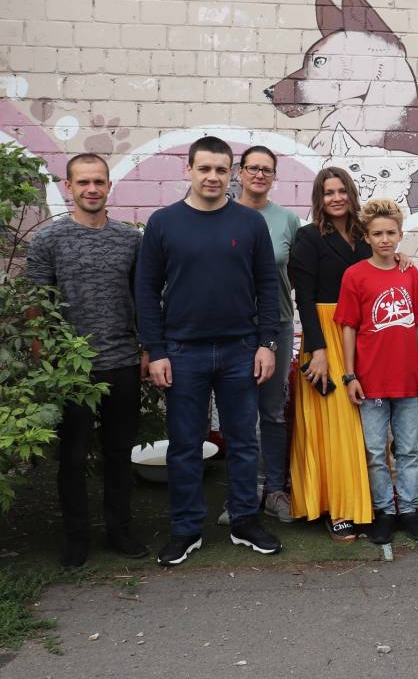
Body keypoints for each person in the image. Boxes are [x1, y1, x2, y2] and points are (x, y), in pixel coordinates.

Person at [136, 136, 281, 565]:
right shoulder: (163, 223)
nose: (212, 177)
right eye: (204, 168)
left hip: (241, 350)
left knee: (243, 442)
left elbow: (267, 286)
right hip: (182, 352)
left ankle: (244, 520)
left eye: (221, 169)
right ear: (189, 169)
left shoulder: (249, 223)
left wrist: (267, 343)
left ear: (231, 173)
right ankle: (186, 530)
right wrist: (156, 350)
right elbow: (146, 290)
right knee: (184, 446)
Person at [27, 154, 149, 567]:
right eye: (83, 182)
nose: (92, 189)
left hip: (122, 362)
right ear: (69, 186)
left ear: (109, 186)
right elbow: (37, 304)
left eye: (98, 181)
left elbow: (143, 299)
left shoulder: (130, 240)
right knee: (73, 457)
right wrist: (44, 357)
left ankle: (119, 532)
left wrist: (146, 349)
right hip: (70, 369)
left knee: (119, 453)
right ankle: (76, 538)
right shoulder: (48, 240)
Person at [337, 199, 418, 545]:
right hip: (370, 382)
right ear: (367, 237)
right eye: (377, 234)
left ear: (400, 234)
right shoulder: (354, 275)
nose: (384, 239)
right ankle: (385, 512)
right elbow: (348, 327)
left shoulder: (409, 273)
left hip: (407, 378)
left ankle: (408, 510)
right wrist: (350, 375)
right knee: (376, 453)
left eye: (391, 233)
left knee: (408, 450)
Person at [289, 167, 375, 541]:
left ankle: (369, 501)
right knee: (337, 423)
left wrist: (401, 257)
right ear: (319, 199)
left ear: (351, 194)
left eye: (342, 191)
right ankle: (337, 507)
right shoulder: (309, 238)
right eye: (328, 193)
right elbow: (304, 298)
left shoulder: (366, 235)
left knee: (367, 422)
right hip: (325, 333)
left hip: (365, 334)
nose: (336, 198)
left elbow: (382, 269)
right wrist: (317, 350)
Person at [234, 146, 299, 523]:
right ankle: (244, 492)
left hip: (277, 325)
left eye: (267, 170)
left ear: (274, 177)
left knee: (272, 411)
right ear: (240, 173)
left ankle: (275, 489)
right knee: (238, 413)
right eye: (253, 168)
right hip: (233, 327)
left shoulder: (287, 220)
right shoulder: (223, 215)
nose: (259, 175)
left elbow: (300, 273)